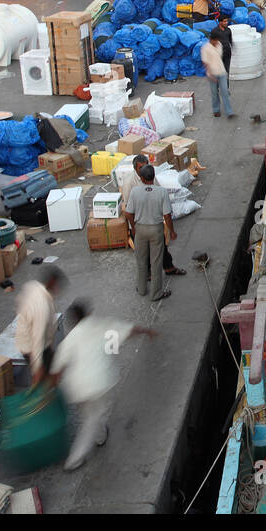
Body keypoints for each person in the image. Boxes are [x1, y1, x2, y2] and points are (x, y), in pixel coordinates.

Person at [49, 298, 157, 472]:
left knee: (90, 414)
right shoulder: (103, 326)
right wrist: (147, 331)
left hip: (76, 387)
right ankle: (74, 459)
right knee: (92, 419)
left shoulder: (71, 338)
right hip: (98, 384)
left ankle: (100, 436)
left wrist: (51, 389)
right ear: (89, 313)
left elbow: (57, 369)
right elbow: (128, 332)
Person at [120, 154, 186, 276]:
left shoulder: (150, 176)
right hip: (139, 224)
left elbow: (161, 199)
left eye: (146, 166)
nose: (144, 170)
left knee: (162, 248)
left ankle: (168, 268)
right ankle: (150, 277)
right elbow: (129, 210)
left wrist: (170, 229)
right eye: (141, 168)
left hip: (153, 221)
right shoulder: (130, 183)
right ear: (135, 169)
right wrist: (134, 227)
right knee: (145, 253)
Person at [124, 163, 176, 301]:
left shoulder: (135, 191)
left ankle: (141, 289)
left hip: (140, 228)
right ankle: (156, 293)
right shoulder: (161, 192)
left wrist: (134, 226)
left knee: (141, 260)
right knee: (156, 262)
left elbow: (128, 212)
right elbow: (167, 215)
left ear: (141, 178)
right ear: (153, 176)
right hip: (155, 229)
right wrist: (172, 231)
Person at [15, 266, 64, 383]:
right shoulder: (41, 307)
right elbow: (38, 338)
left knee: (53, 369)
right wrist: (38, 367)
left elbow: (18, 301)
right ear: (52, 283)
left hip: (33, 341)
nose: (58, 289)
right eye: (57, 286)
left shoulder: (33, 285)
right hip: (33, 347)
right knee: (45, 378)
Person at [202, 33, 234, 118]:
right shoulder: (205, 48)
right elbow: (205, 63)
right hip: (212, 74)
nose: (216, 42)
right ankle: (216, 110)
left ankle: (229, 111)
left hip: (221, 71)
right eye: (215, 40)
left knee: (225, 92)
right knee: (214, 93)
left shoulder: (219, 45)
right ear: (211, 39)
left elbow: (220, 57)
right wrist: (210, 74)